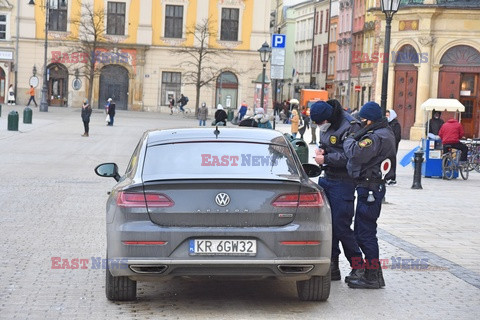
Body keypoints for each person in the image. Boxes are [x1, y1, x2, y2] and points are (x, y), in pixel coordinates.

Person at [343, 101, 396, 289]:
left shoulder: (375, 137)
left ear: (369, 120)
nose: (360, 122)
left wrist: (349, 138)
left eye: (362, 120)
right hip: (370, 187)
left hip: (370, 189)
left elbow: (355, 153)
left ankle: (372, 276)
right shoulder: (383, 132)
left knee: (364, 233)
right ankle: (373, 274)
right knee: (365, 231)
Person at [310, 99, 363, 282]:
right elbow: (326, 145)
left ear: (328, 118)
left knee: (341, 226)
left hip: (343, 181)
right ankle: (332, 266)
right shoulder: (325, 124)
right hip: (327, 178)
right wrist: (321, 152)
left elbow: (352, 157)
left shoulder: (350, 126)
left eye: (320, 123)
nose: (319, 126)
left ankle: (358, 266)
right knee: (328, 226)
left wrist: (327, 159)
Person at [386, 109, 401, 185]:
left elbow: (397, 136)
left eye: (388, 115)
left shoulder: (396, 124)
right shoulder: (385, 124)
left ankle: (391, 177)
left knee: (392, 161)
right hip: (385, 147)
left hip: (393, 146)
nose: (387, 117)